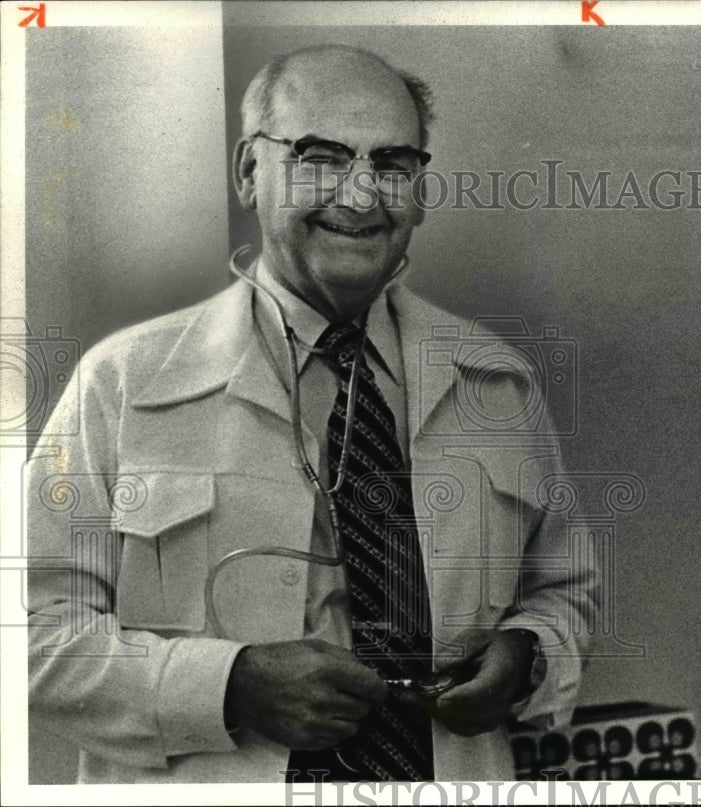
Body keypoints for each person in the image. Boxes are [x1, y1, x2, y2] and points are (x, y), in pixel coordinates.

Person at [27, 44, 599, 783]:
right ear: (247, 171)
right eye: (322, 157)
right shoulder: (122, 382)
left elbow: (565, 589)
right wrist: (230, 685)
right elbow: (30, 637)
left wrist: (526, 655)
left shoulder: (497, 384)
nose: (361, 196)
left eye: (392, 164)